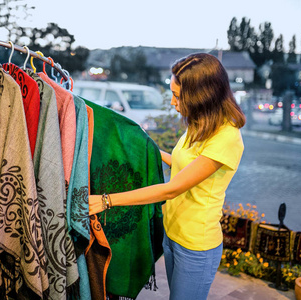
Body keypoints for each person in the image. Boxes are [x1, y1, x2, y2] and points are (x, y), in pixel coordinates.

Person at [89, 52, 246, 300]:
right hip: (172, 235)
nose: (173, 103)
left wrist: (107, 200)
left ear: (200, 95)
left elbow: (172, 189)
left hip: (196, 246)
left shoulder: (226, 137)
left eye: (177, 96)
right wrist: (146, 149)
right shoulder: (201, 123)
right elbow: (186, 165)